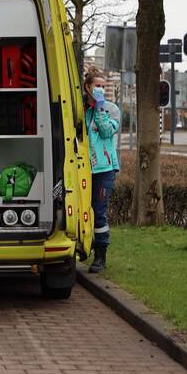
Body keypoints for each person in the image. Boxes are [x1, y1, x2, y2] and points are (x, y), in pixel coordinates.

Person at [84, 68, 120, 273]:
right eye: (97, 86)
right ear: (88, 87)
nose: (101, 90)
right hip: (83, 167)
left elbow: (107, 132)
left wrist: (99, 109)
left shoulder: (111, 110)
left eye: (103, 87)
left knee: (99, 211)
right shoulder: (81, 110)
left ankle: (100, 255)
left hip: (104, 169)